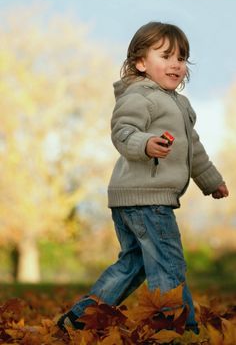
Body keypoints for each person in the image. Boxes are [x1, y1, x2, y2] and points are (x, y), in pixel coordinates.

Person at [57, 21, 229, 335]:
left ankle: (78, 320)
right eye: (166, 56)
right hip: (146, 199)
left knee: (133, 266)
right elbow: (122, 132)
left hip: (138, 198)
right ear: (140, 63)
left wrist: (210, 180)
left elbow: (194, 149)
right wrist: (145, 144)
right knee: (168, 262)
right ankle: (176, 328)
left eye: (181, 58)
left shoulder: (180, 104)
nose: (176, 64)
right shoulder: (139, 96)